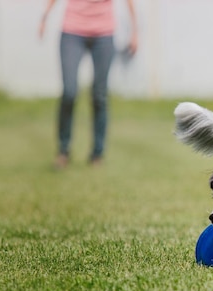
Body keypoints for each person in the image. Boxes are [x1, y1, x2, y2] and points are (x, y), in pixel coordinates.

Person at [39, 0, 138, 169]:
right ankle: (63, 151)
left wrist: (135, 31)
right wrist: (44, 18)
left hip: (104, 34)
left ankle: (97, 154)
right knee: (69, 92)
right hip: (72, 31)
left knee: (99, 95)